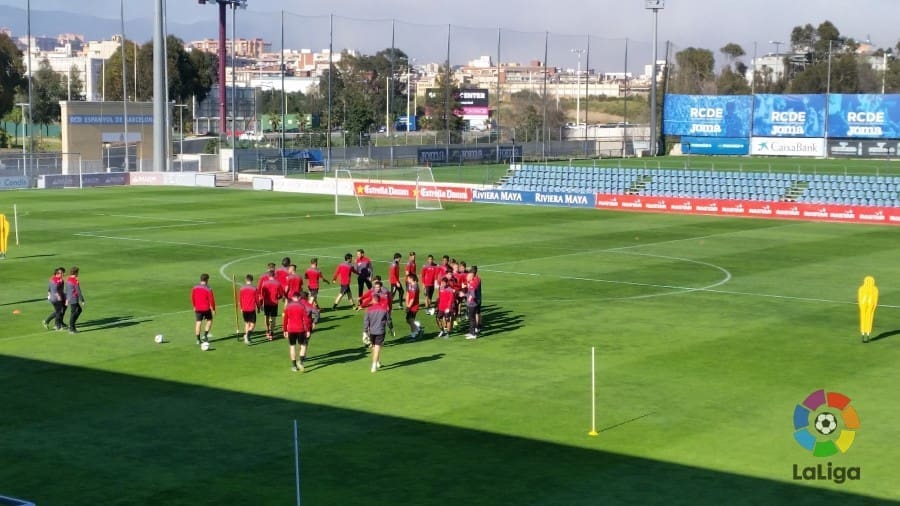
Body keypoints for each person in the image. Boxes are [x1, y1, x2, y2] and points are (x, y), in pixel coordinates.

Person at [282, 291, 312, 372]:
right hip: (300, 329)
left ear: (292, 297)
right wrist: (308, 330)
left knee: (292, 347)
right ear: (299, 298)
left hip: (291, 329)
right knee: (303, 345)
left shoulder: (288, 306)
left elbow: (285, 319)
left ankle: (294, 366)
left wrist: (284, 330)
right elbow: (306, 319)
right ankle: (301, 362)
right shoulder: (302, 306)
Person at [363, 292, 390, 372]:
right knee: (377, 348)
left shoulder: (369, 310)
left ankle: (377, 362)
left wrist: (365, 331)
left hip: (372, 331)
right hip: (380, 331)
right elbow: (389, 320)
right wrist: (391, 328)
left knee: (374, 347)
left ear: (373, 300)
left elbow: (366, 321)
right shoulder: (384, 309)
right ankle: (374, 365)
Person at [258, 271, 285, 340]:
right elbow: (281, 294)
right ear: (274, 275)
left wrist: (260, 304)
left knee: (266, 317)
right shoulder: (277, 283)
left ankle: (267, 331)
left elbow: (261, 295)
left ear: (268, 275)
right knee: (273, 319)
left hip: (266, 303)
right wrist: (277, 298)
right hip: (274, 303)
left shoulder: (264, 283)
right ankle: (271, 333)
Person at [191, 273, 216, 344]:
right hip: (206, 308)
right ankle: (205, 335)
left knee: (198, 322)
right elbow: (211, 300)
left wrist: (194, 306)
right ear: (207, 280)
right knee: (209, 320)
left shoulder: (195, 287)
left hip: (198, 308)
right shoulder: (208, 288)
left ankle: (198, 340)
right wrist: (213, 309)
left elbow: (192, 297)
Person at [43, 267, 67, 331]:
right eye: (62, 273)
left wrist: (49, 295)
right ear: (57, 273)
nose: (63, 274)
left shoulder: (54, 279)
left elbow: (49, 289)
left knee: (60, 311)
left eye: (63, 273)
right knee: (59, 311)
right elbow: (55, 288)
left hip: (57, 297)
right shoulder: (57, 280)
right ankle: (56, 325)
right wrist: (58, 296)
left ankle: (58, 323)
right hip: (56, 298)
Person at [238, 274, 259, 345]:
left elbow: (240, 299)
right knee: (253, 324)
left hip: (244, 309)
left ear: (245, 280)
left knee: (247, 323)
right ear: (252, 280)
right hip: (251, 309)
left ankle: (246, 337)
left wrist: (241, 308)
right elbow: (257, 300)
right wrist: (259, 307)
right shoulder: (254, 288)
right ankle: (247, 336)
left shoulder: (241, 288)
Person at [64, 266, 85, 334]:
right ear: (76, 272)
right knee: (74, 312)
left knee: (77, 310)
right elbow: (78, 291)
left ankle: (72, 326)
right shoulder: (75, 280)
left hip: (70, 298)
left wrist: (67, 299)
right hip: (74, 298)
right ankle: (71, 328)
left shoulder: (68, 279)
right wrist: (82, 300)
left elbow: (66, 290)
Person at [405, 272, 423, 341]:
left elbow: (412, 298)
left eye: (408, 278)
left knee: (410, 320)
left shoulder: (415, 287)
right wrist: (407, 304)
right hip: (410, 305)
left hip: (414, 306)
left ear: (412, 279)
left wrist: (408, 307)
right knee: (409, 320)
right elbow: (407, 294)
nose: (407, 279)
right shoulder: (410, 285)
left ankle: (416, 333)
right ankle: (415, 332)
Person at [464, 268, 481, 340]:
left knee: (472, 319)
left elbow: (472, 295)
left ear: (471, 277)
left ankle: (473, 334)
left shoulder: (472, 285)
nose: (466, 277)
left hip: (472, 304)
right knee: (471, 319)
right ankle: (471, 332)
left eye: (468, 276)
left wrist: (468, 298)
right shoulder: (471, 283)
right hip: (472, 304)